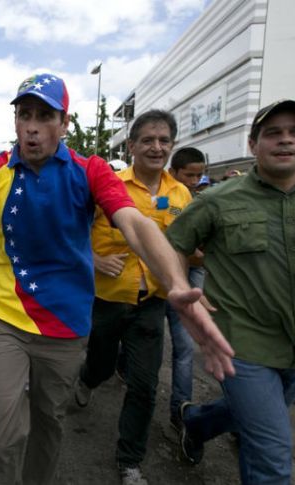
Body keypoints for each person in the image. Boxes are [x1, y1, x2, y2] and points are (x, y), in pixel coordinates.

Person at [0, 72, 235, 485]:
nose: (32, 125)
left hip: (65, 325)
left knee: (48, 423)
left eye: (45, 115)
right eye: (24, 114)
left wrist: (177, 284)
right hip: (4, 317)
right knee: (0, 436)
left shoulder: (90, 170)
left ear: (64, 124)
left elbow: (134, 223)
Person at [167, 99, 295, 484]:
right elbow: (174, 245)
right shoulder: (217, 200)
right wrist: (185, 292)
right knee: (271, 454)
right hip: (241, 342)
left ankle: (196, 424)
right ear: (253, 144)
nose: (285, 141)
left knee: (258, 415)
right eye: (273, 133)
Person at [74, 109, 194, 485]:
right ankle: (86, 379)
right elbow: (71, 232)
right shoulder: (107, 184)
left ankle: (130, 461)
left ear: (172, 146)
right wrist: (93, 259)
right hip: (107, 299)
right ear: (132, 146)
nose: (156, 148)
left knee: (144, 385)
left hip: (152, 305)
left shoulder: (182, 193)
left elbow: (183, 246)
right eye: (148, 140)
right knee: (102, 365)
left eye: (164, 141)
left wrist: (181, 285)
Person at [164, 146, 207, 431]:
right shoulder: (164, 199)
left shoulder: (205, 202)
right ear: (173, 172)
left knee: (185, 347)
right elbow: (164, 242)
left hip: (192, 278)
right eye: (188, 175)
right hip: (162, 279)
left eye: (199, 175)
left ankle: (181, 411)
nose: (193, 181)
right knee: (146, 339)